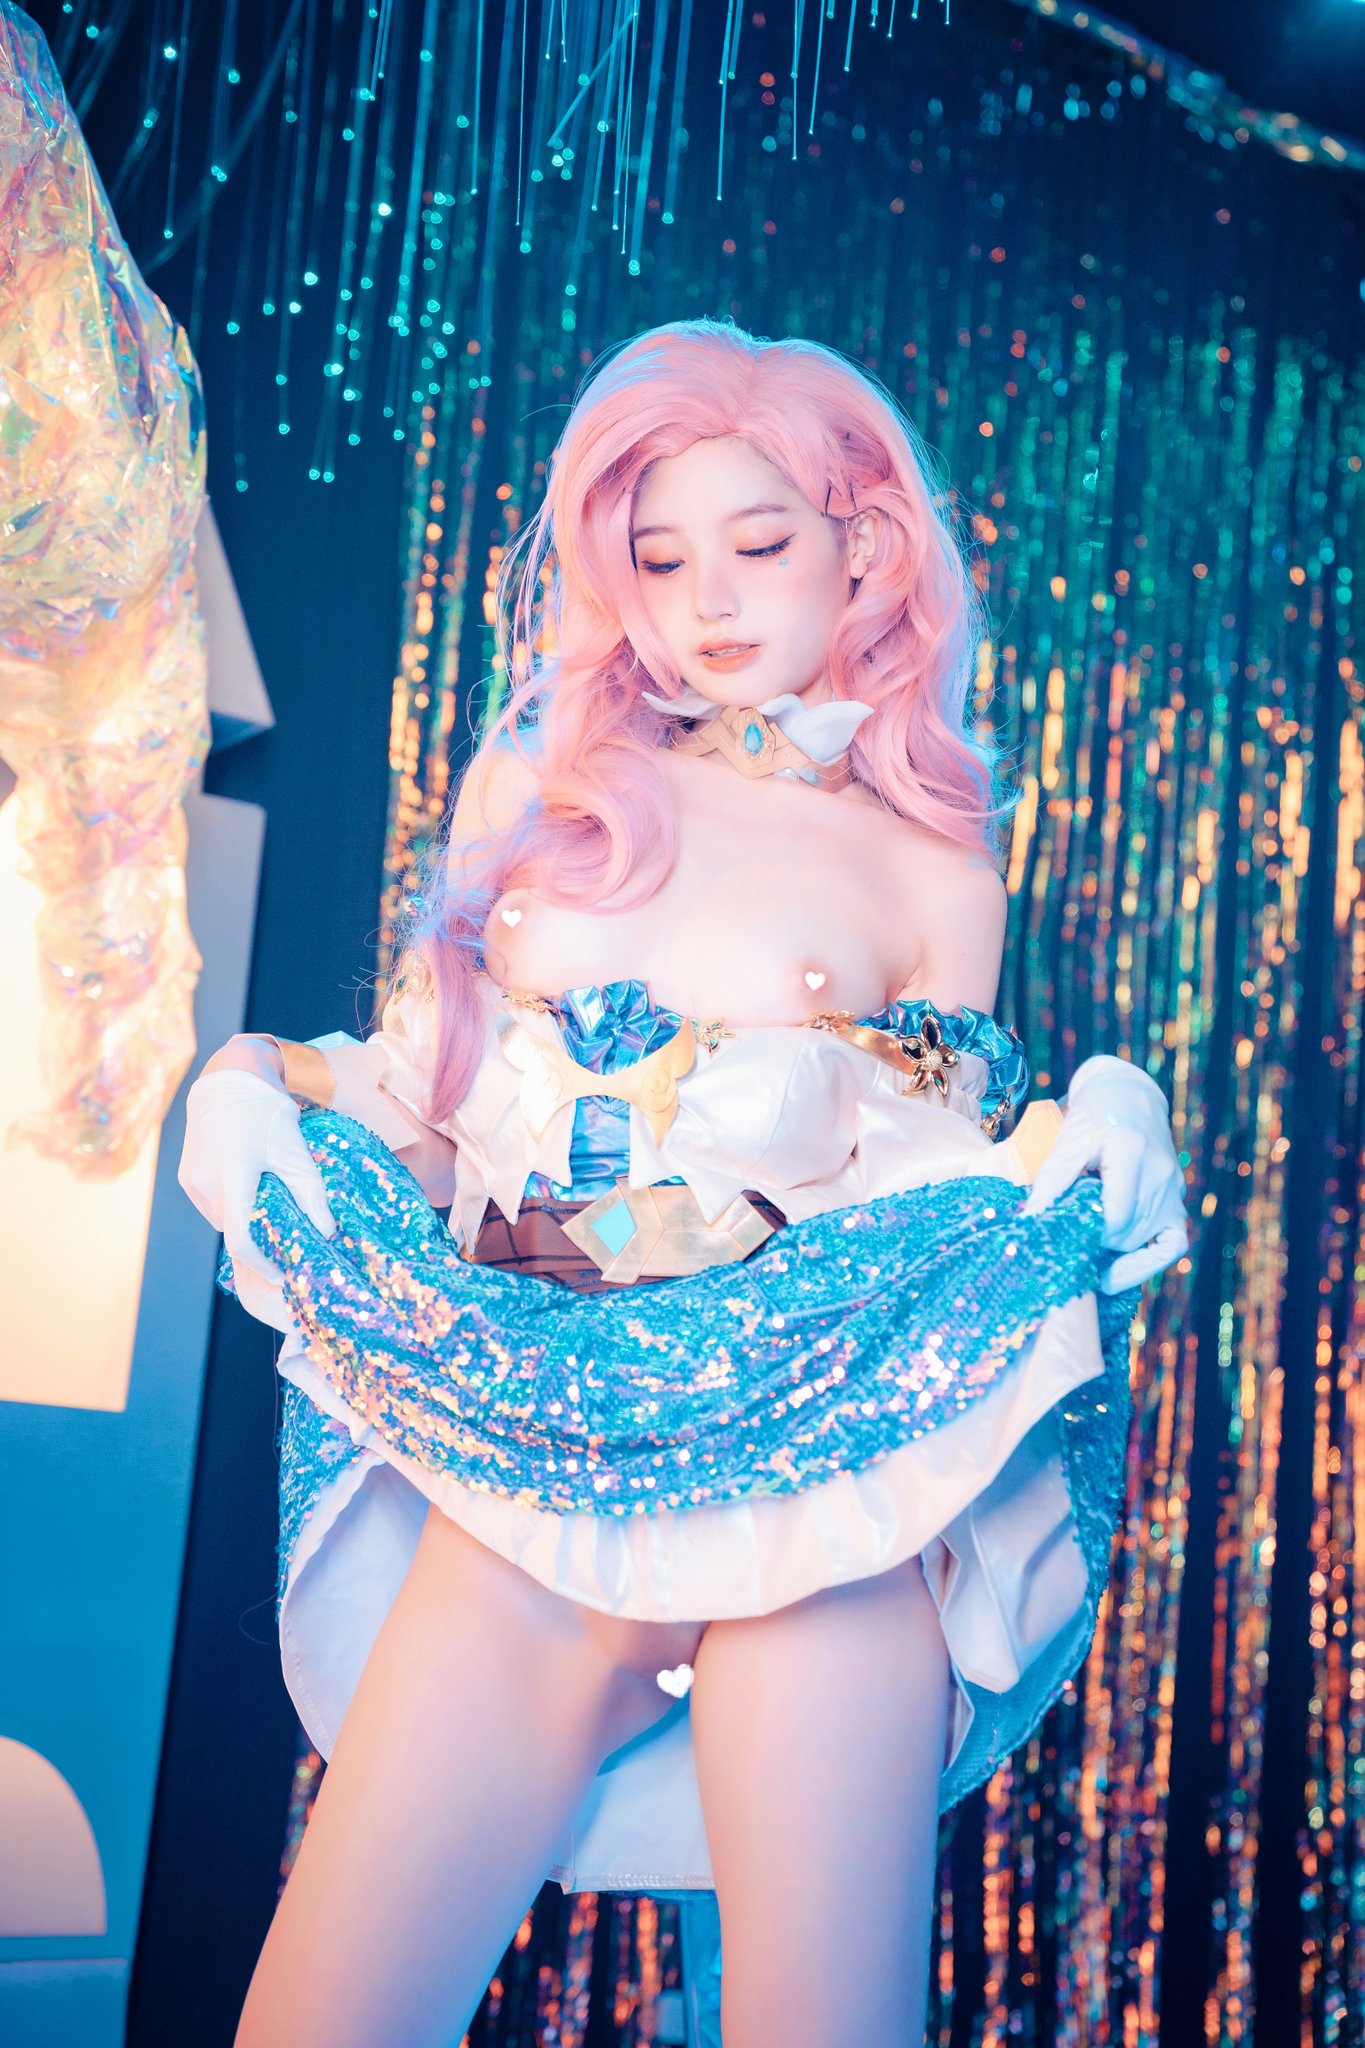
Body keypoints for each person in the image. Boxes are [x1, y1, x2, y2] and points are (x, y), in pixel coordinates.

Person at [178, 317, 1189, 2048]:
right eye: (658, 557)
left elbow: (936, 1175)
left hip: (827, 1481)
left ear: (863, 543)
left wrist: (1102, 1107)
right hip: (536, 1460)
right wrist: (249, 1077)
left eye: (759, 542)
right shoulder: (541, 784)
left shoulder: (935, 861)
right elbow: (427, 1096)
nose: (706, 600)